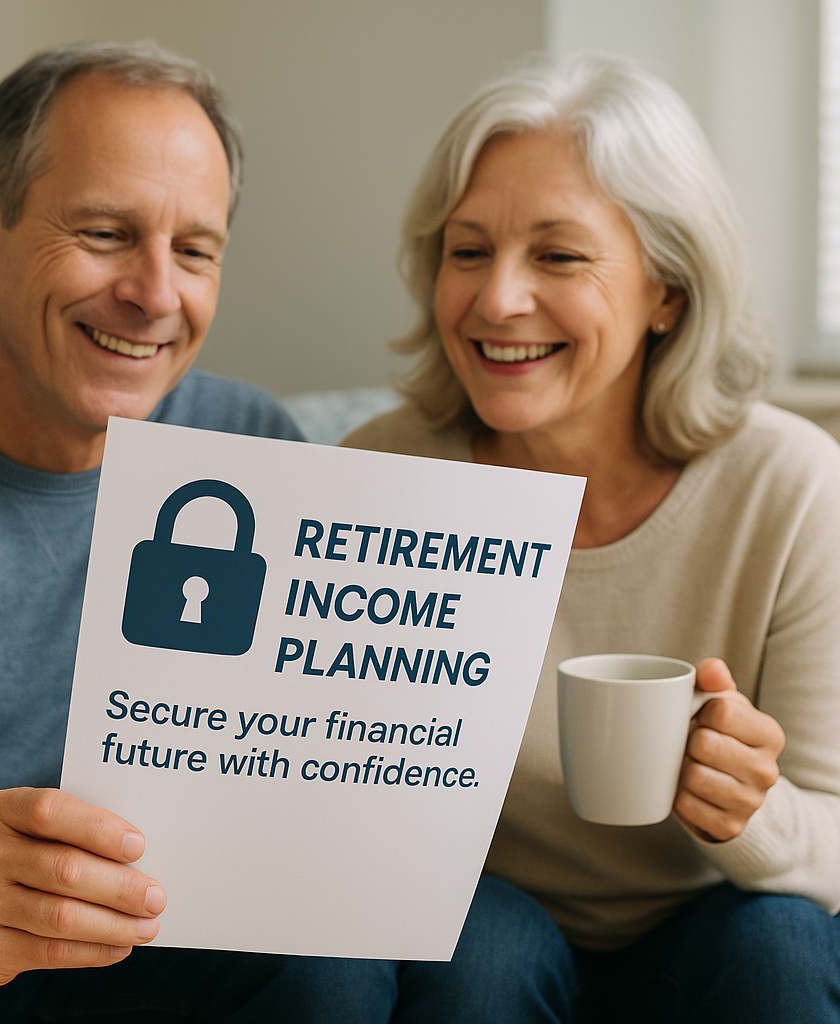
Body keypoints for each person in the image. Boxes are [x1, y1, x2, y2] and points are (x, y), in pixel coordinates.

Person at [331, 54, 840, 1022]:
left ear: (667, 293)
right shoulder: (383, 474)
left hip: (712, 925)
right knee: (474, 952)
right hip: (488, 921)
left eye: (557, 256)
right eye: (467, 251)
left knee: (779, 944)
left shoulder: (788, 483)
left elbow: (832, 828)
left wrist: (751, 812)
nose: (495, 300)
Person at [0, 41, 312, 1022]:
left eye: (196, 250)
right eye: (104, 231)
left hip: (155, 936)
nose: (156, 293)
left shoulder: (254, 446)